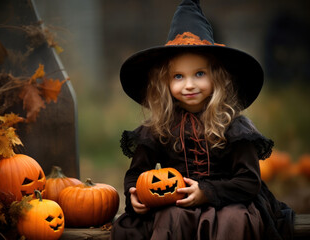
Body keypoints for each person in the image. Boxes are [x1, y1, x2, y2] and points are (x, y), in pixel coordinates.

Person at [111, 0, 295, 240]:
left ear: (217, 78)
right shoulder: (157, 129)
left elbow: (250, 181)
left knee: (234, 220)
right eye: (178, 76)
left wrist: (207, 192)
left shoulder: (233, 127)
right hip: (175, 206)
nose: (189, 85)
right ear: (164, 82)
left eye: (199, 74)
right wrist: (134, 195)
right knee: (171, 217)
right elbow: (136, 175)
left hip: (229, 203)